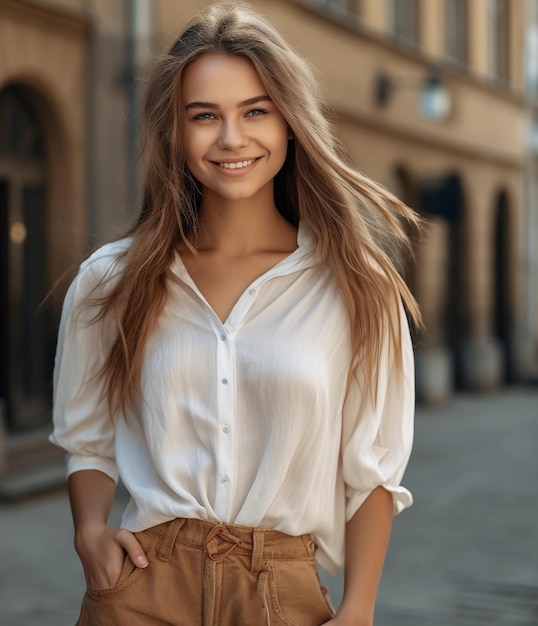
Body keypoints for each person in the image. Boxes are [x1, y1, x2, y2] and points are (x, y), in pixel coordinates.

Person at [51, 2, 422, 625]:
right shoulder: (110, 281)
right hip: (143, 588)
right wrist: (89, 529)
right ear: (176, 131)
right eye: (205, 116)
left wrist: (360, 609)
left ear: (289, 123)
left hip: (283, 593)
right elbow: (87, 437)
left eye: (256, 111)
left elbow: (373, 472)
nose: (231, 138)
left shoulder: (358, 285)